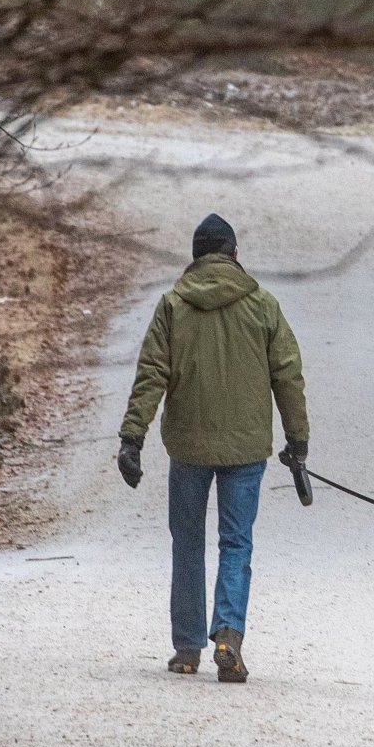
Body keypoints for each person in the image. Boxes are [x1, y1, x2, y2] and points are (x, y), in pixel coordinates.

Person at [117, 213, 309, 683]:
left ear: (196, 257)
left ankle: (186, 649)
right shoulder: (263, 305)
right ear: (234, 254)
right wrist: (297, 439)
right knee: (236, 541)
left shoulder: (173, 305)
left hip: (188, 445)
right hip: (246, 449)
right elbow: (287, 373)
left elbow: (151, 374)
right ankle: (227, 634)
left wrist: (132, 436)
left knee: (187, 542)